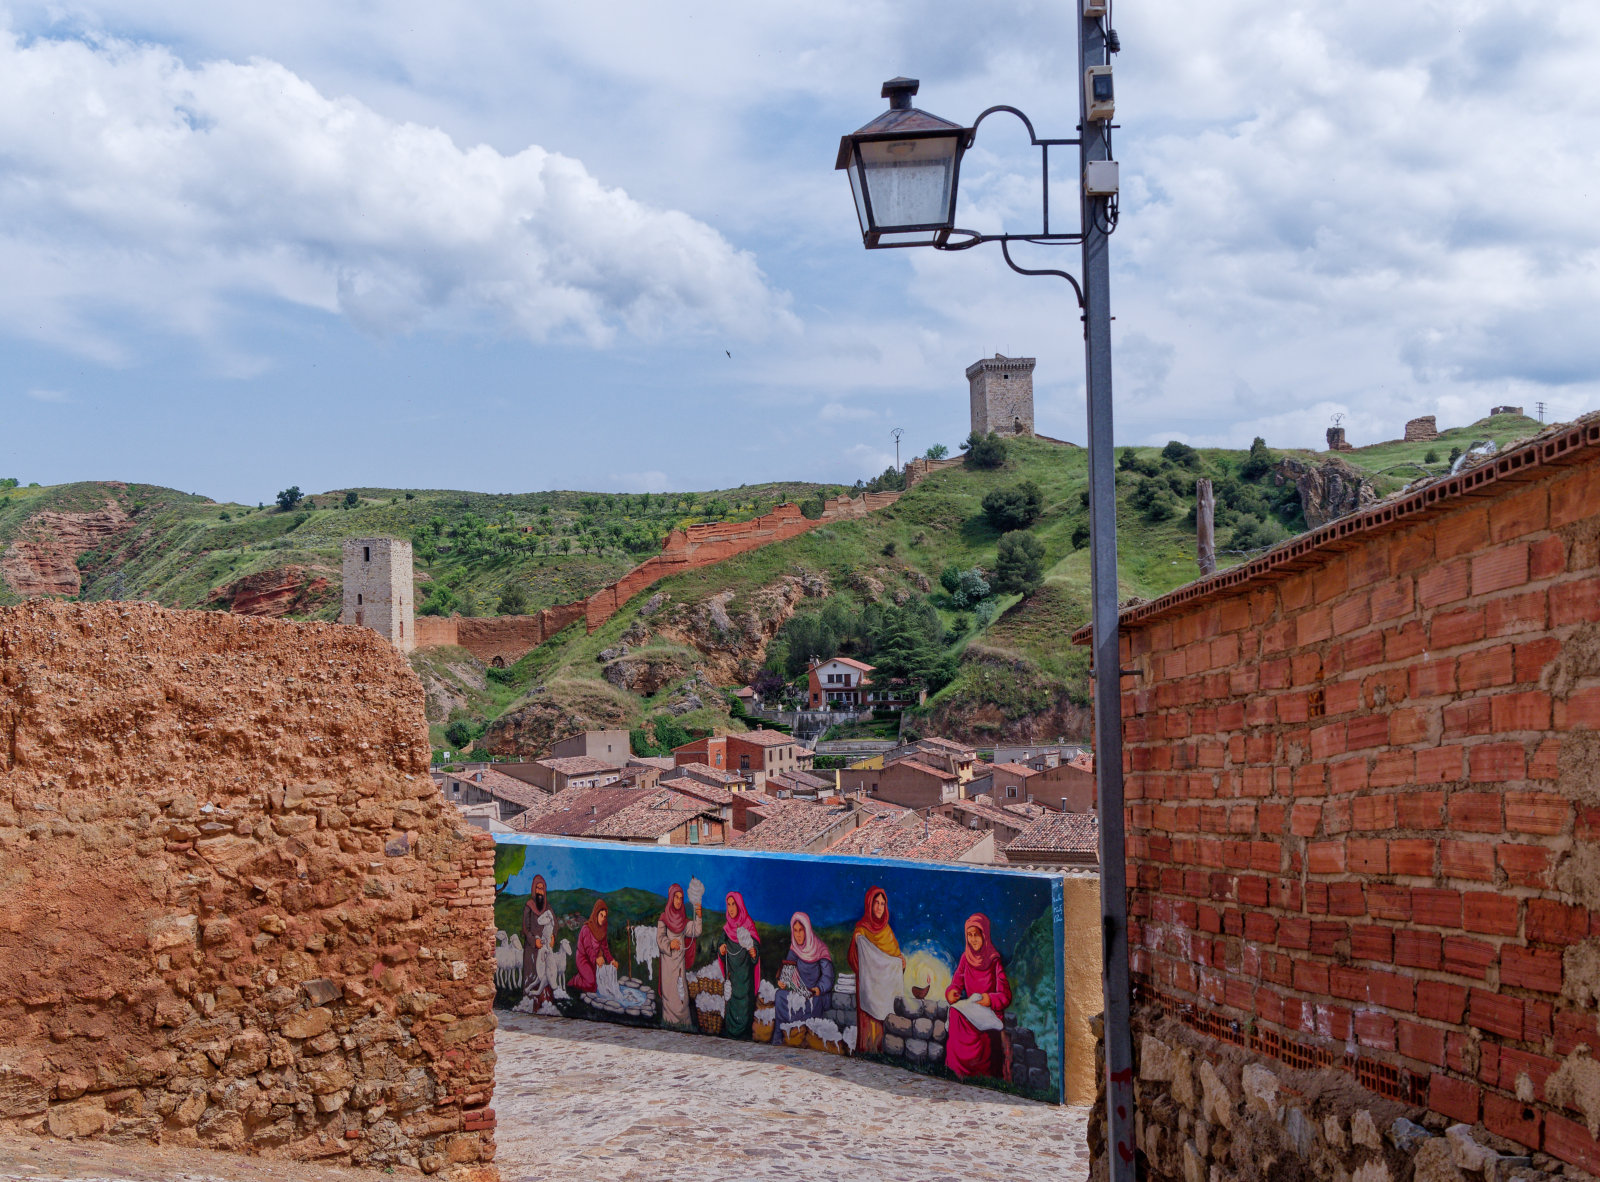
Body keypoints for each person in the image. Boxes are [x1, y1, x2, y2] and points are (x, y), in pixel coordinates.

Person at [944, 913, 1011, 1081]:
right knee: (955, 1013)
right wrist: (951, 992)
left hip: (989, 1012)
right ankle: (957, 1069)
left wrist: (989, 999)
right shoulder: (965, 958)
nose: (973, 939)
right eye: (969, 935)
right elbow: (956, 983)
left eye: (976, 935)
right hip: (972, 1008)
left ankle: (979, 1074)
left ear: (985, 935)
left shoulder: (993, 960)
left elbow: (1005, 996)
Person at [848, 886, 904, 1054]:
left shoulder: (887, 932)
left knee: (883, 1028)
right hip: (868, 987)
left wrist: (901, 962)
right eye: (876, 903)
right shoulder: (861, 930)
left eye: (882, 903)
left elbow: (895, 958)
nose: (879, 907)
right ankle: (867, 1052)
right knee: (868, 1026)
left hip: (884, 990)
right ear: (869, 904)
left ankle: (881, 1053)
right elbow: (853, 959)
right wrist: (859, 944)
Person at [771, 911, 835, 1041]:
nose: (798, 934)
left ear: (807, 930)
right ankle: (781, 1036)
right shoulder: (795, 948)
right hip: (799, 991)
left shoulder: (820, 949)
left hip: (815, 992)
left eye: (801, 930)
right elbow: (788, 970)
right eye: (795, 930)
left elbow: (828, 977)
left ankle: (805, 1037)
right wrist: (783, 982)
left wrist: (819, 988)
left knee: (814, 1002)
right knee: (779, 995)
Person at [656, 882, 702, 1031]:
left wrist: (698, 916)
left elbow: (696, 931)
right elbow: (660, 939)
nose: (678, 901)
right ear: (671, 898)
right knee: (670, 998)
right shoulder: (663, 919)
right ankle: (669, 1023)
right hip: (668, 965)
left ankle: (685, 1026)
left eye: (681, 898)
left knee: (682, 998)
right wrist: (670, 944)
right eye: (676, 897)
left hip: (679, 966)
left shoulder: (683, 920)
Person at [717, 891, 760, 1039]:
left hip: (745, 979)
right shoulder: (726, 929)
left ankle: (743, 1036)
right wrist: (721, 949)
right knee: (731, 1006)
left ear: (739, 906)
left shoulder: (748, 925)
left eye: (733, 904)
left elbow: (755, 946)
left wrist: (754, 952)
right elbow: (720, 945)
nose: (730, 908)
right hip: (732, 978)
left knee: (745, 1009)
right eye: (728, 905)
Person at [521, 874, 557, 1007]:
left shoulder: (548, 908)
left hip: (545, 950)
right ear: (533, 889)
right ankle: (529, 1004)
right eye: (537, 888)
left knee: (546, 977)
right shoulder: (529, 907)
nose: (539, 891)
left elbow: (555, 925)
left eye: (542, 888)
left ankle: (546, 1005)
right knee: (533, 977)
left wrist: (553, 937)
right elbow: (525, 928)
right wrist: (533, 940)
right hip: (532, 950)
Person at [571, 898, 617, 995]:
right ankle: (575, 981)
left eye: (605, 916)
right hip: (583, 958)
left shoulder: (602, 930)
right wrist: (596, 958)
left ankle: (583, 976)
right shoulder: (586, 928)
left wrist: (611, 960)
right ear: (596, 914)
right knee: (591, 983)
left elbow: (605, 948)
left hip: (595, 959)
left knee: (597, 985)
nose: (603, 918)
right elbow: (588, 948)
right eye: (601, 915)